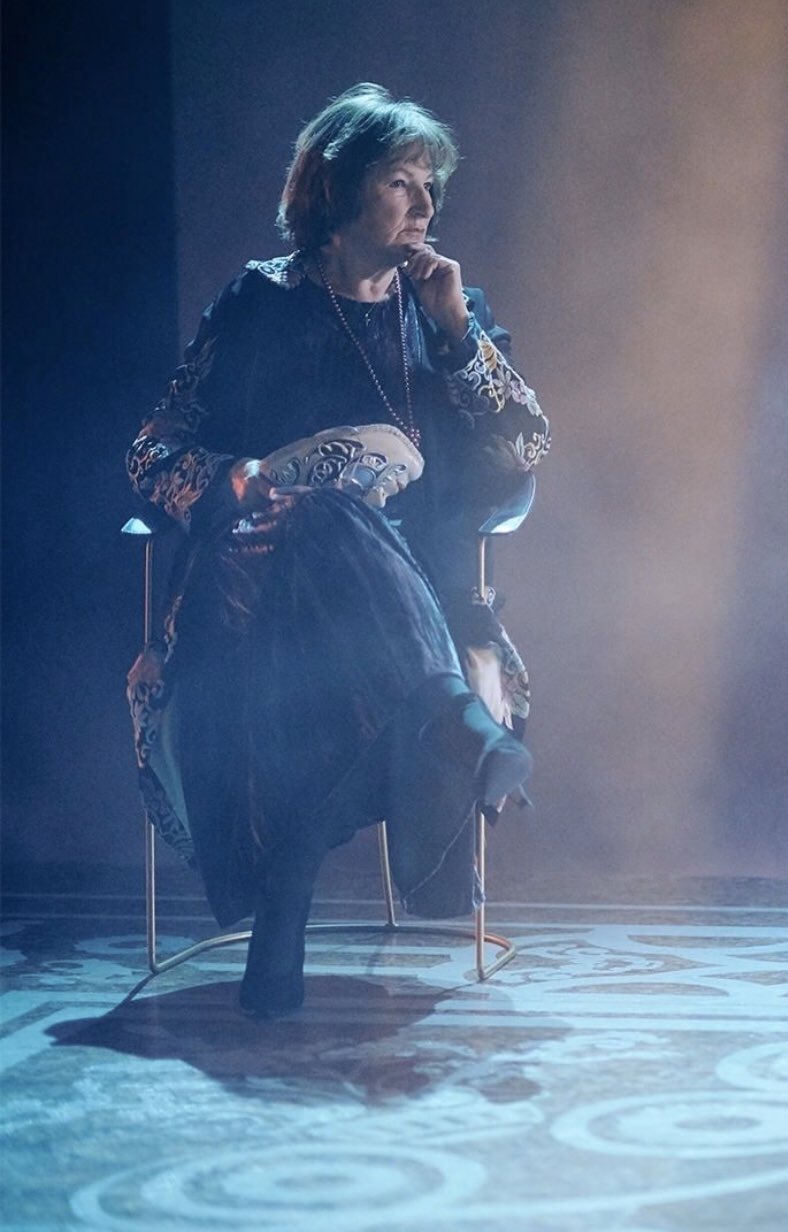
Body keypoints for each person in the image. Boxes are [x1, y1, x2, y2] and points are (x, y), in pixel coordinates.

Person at [125, 83, 551, 1017]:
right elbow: (151, 452)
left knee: (342, 559)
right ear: (338, 190)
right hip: (258, 591)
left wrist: (457, 335)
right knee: (323, 514)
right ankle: (456, 723)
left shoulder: (444, 311)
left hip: (412, 596)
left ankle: (282, 914)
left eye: (431, 185)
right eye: (401, 182)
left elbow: (527, 444)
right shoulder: (258, 303)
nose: (425, 205)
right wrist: (238, 480)